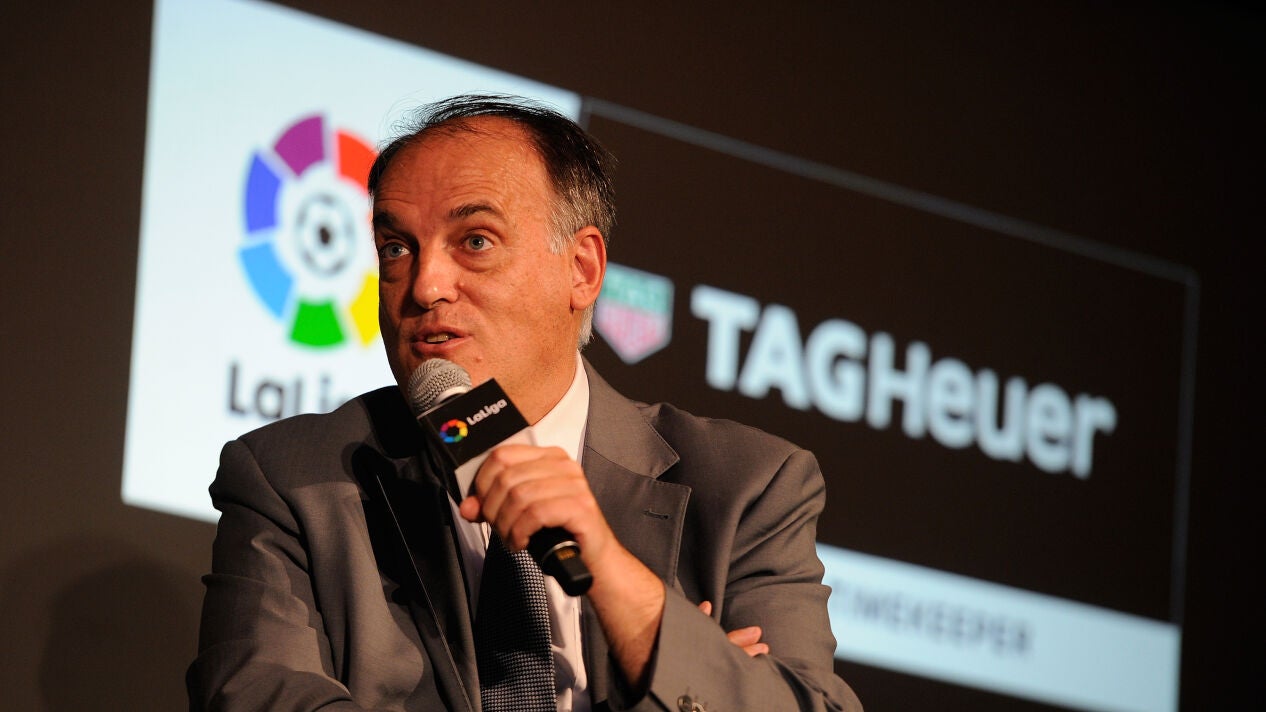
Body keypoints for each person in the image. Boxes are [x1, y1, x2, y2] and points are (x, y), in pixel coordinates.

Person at [187, 94, 862, 712]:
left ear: (582, 270)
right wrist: (697, 669)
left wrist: (613, 573)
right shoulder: (289, 480)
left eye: (474, 242)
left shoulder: (747, 487)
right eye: (396, 248)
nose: (424, 286)